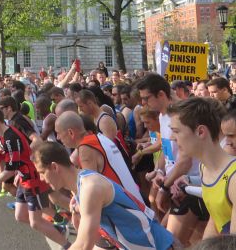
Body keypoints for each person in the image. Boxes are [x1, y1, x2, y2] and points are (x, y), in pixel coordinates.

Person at [34, 141, 175, 250]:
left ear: (54, 167)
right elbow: (97, 241)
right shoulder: (80, 188)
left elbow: (84, 245)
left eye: (41, 172)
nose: (40, 179)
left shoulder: (90, 187)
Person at [0, 108, 71, 248]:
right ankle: (59, 228)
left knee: (36, 220)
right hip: (23, 177)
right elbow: (19, 158)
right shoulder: (4, 134)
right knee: (20, 215)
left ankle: (68, 245)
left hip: (32, 179)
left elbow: (9, 170)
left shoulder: (10, 138)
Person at [137, 73, 208, 246]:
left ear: (161, 94)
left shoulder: (181, 115)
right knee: (193, 241)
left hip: (189, 187)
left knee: (169, 242)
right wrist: (160, 171)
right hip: (177, 185)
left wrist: (164, 187)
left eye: (146, 99)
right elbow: (166, 149)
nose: (143, 104)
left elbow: (185, 161)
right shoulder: (162, 115)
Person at [168, 97, 236, 237]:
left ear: (200, 132)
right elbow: (215, 219)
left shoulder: (234, 179)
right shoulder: (203, 169)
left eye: (176, 131)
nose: (172, 138)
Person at [55, 111, 143, 203]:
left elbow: (92, 192)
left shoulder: (86, 149)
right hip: (133, 202)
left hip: (127, 208)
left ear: (70, 132)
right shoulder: (98, 138)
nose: (57, 138)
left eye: (58, 133)